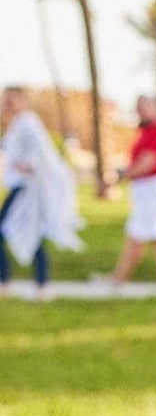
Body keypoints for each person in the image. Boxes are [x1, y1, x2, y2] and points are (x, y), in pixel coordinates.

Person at [0, 87, 80, 295]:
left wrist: (26, 166)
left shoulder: (27, 122)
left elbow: (42, 153)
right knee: (30, 231)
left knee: (19, 230)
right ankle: (39, 283)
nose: (8, 104)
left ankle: (11, 280)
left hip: (27, 188)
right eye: (5, 100)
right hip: (21, 185)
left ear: (23, 101)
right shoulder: (18, 124)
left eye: (12, 100)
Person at [110, 94, 156, 286]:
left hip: (155, 190)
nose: (140, 110)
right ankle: (118, 280)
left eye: (144, 106)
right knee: (139, 237)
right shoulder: (146, 131)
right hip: (147, 191)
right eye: (138, 107)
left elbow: (149, 162)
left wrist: (121, 176)